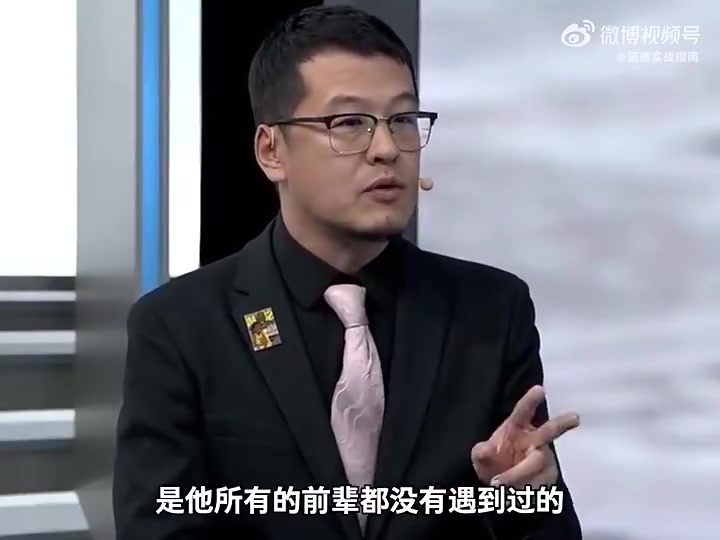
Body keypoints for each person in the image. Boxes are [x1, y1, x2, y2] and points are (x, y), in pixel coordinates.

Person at [113, 5, 582, 539]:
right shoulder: (179, 325)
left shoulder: (490, 311)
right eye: (349, 123)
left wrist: (524, 503)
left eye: (402, 120)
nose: (387, 149)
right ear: (271, 151)